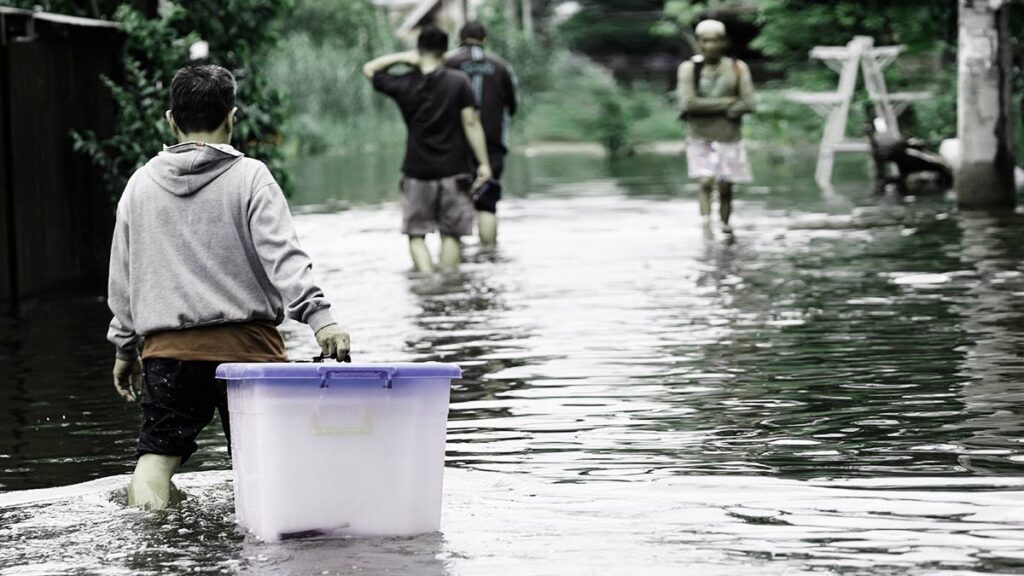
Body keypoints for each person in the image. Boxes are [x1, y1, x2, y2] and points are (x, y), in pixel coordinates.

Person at [107, 64, 351, 510]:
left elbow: (122, 281)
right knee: (271, 463)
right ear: (232, 117)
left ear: (170, 120)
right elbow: (284, 258)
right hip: (248, 351)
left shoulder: (138, 186)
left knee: (156, 460)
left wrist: (125, 348)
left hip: (169, 353)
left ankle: (152, 543)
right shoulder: (251, 177)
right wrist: (321, 320)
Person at [364, 25, 492, 272]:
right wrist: (484, 163)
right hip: (454, 169)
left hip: (417, 170)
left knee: (416, 233)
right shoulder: (458, 82)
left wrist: (403, 57)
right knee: (451, 233)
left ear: (419, 49)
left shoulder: (403, 84)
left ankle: (426, 280)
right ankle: (447, 286)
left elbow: (369, 69)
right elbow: (471, 122)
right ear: (445, 51)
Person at [677, 19, 755, 234]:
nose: (710, 46)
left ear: (724, 42)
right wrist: (728, 103)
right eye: (705, 41)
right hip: (700, 136)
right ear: (699, 43)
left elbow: (748, 103)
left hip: (729, 136)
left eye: (715, 41)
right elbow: (688, 103)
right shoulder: (689, 69)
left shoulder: (738, 68)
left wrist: (714, 106)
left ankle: (725, 225)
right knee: (705, 180)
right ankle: (705, 223)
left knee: (726, 185)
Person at [445, 21, 518, 248]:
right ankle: (489, 257)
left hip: (454, 145)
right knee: (487, 204)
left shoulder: (447, 62)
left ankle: (455, 263)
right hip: (492, 144)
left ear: (459, 37)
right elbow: (513, 106)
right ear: (484, 39)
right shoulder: (502, 66)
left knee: (455, 203)